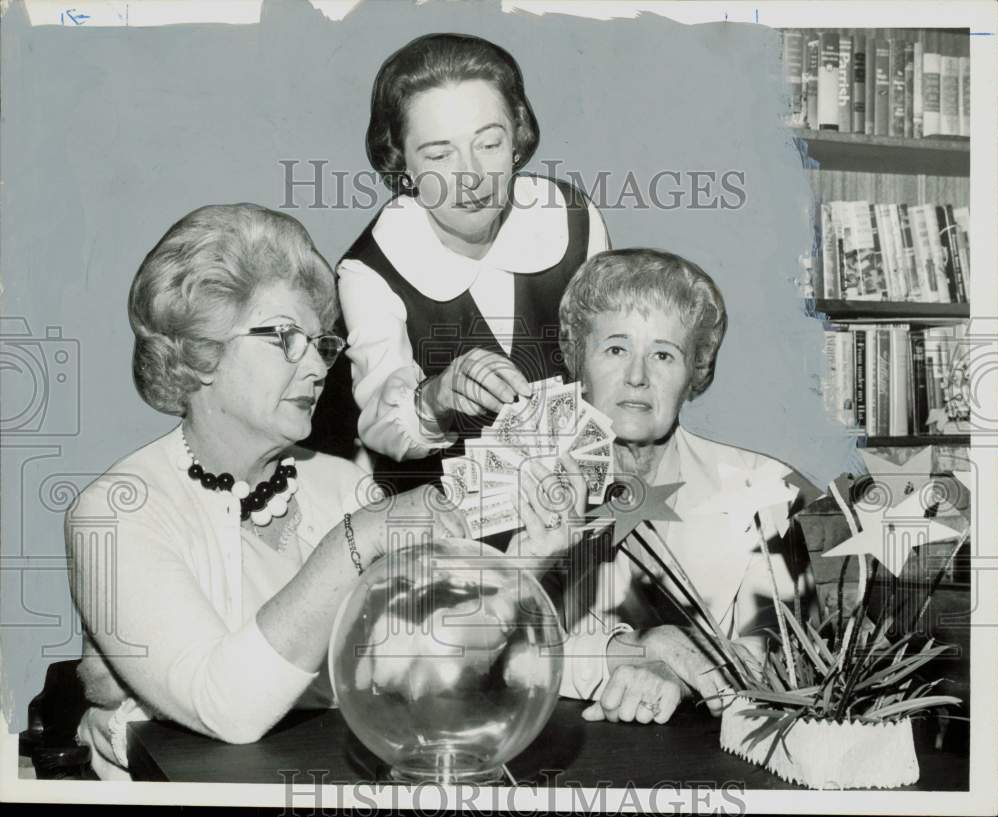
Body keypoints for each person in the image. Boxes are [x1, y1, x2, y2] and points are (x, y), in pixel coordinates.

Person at [66, 204, 467, 780]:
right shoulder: (117, 510)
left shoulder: (343, 484)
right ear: (200, 349)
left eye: (320, 343)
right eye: (284, 338)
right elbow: (226, 708)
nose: (316, 368)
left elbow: (423, 670)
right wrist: (355, 540)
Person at [320, 32, 610, 490]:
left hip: (578, 503)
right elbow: (379, 423)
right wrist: (435, 397)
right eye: (439, 155)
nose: (471, 177)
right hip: (445, 529)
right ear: (403, 165)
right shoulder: (369, 269)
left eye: (489, 144)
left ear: (516, 138)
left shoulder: (572, 218)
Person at [552, 248, 818, 724]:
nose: (637, 377)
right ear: (579, 362)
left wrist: (677, 669)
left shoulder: (762, 489)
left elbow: (790, 663)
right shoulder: (524, 484)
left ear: (695, 373)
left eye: (663, 354)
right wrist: (633, 652)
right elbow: (494, 650)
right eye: (615, 349)